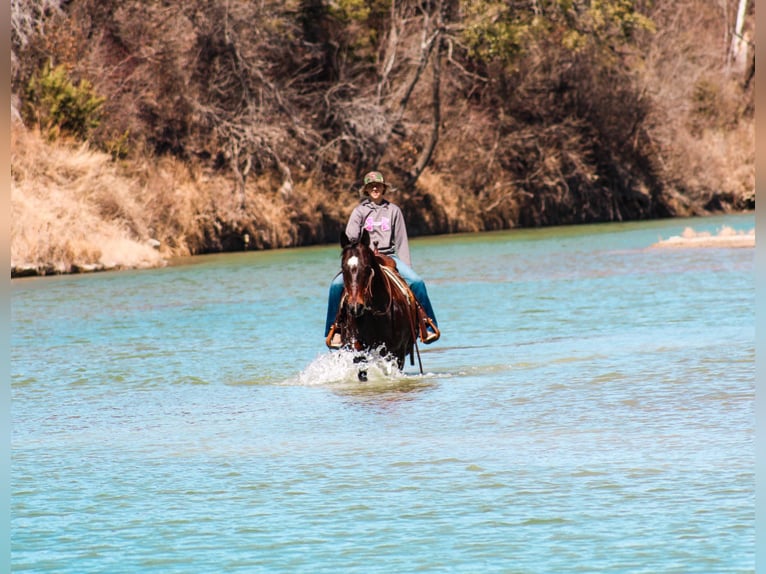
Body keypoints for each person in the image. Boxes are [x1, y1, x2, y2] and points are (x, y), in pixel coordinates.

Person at [325, 170, 439, 347]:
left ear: (384, 188)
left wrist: (406, 268)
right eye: (371, 186)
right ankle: (334, 329)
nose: (375, 188)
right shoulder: (359, 212)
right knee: (336, 285)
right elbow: (350, 240)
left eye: (378, 185)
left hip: (389, 255)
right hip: (364, 259)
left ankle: (427, 324)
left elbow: (401, 241)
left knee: (417, 282)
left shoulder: (394, 211)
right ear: (366, 190)